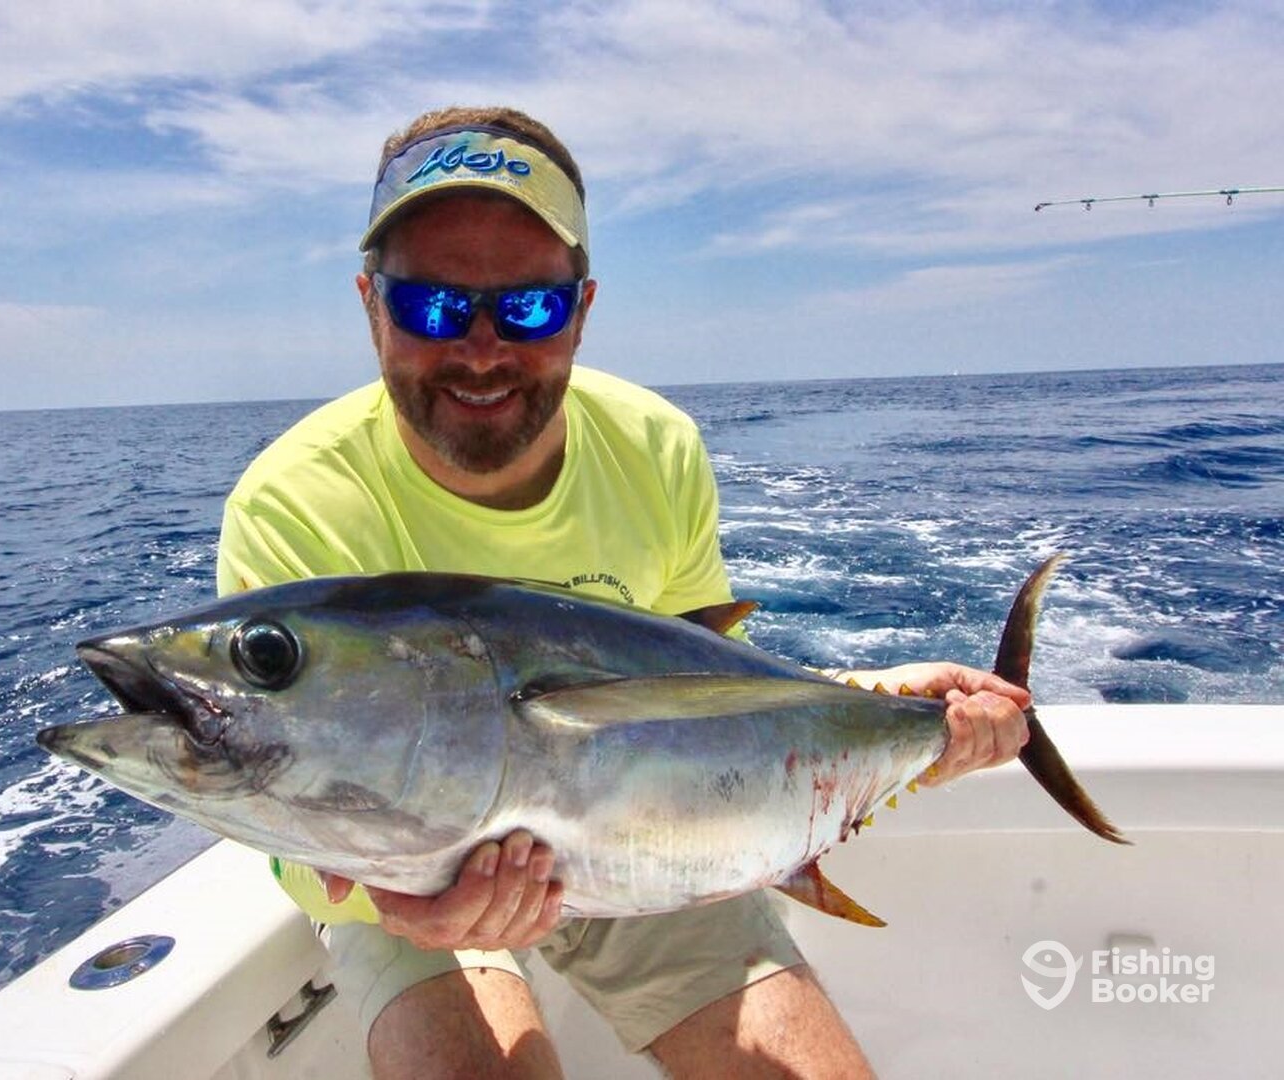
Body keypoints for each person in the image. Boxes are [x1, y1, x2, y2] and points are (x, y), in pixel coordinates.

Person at [216, 105, 1031, 1079]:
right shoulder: (294, 502)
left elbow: (712, 694)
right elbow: (283, 797)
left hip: (644, 835)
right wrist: (397, 902)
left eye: (530, 308)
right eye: (432, 307)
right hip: (392, 871)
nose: (481, 349)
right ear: (369, 306)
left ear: (583, 309)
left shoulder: (654, 447)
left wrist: (889, 711)